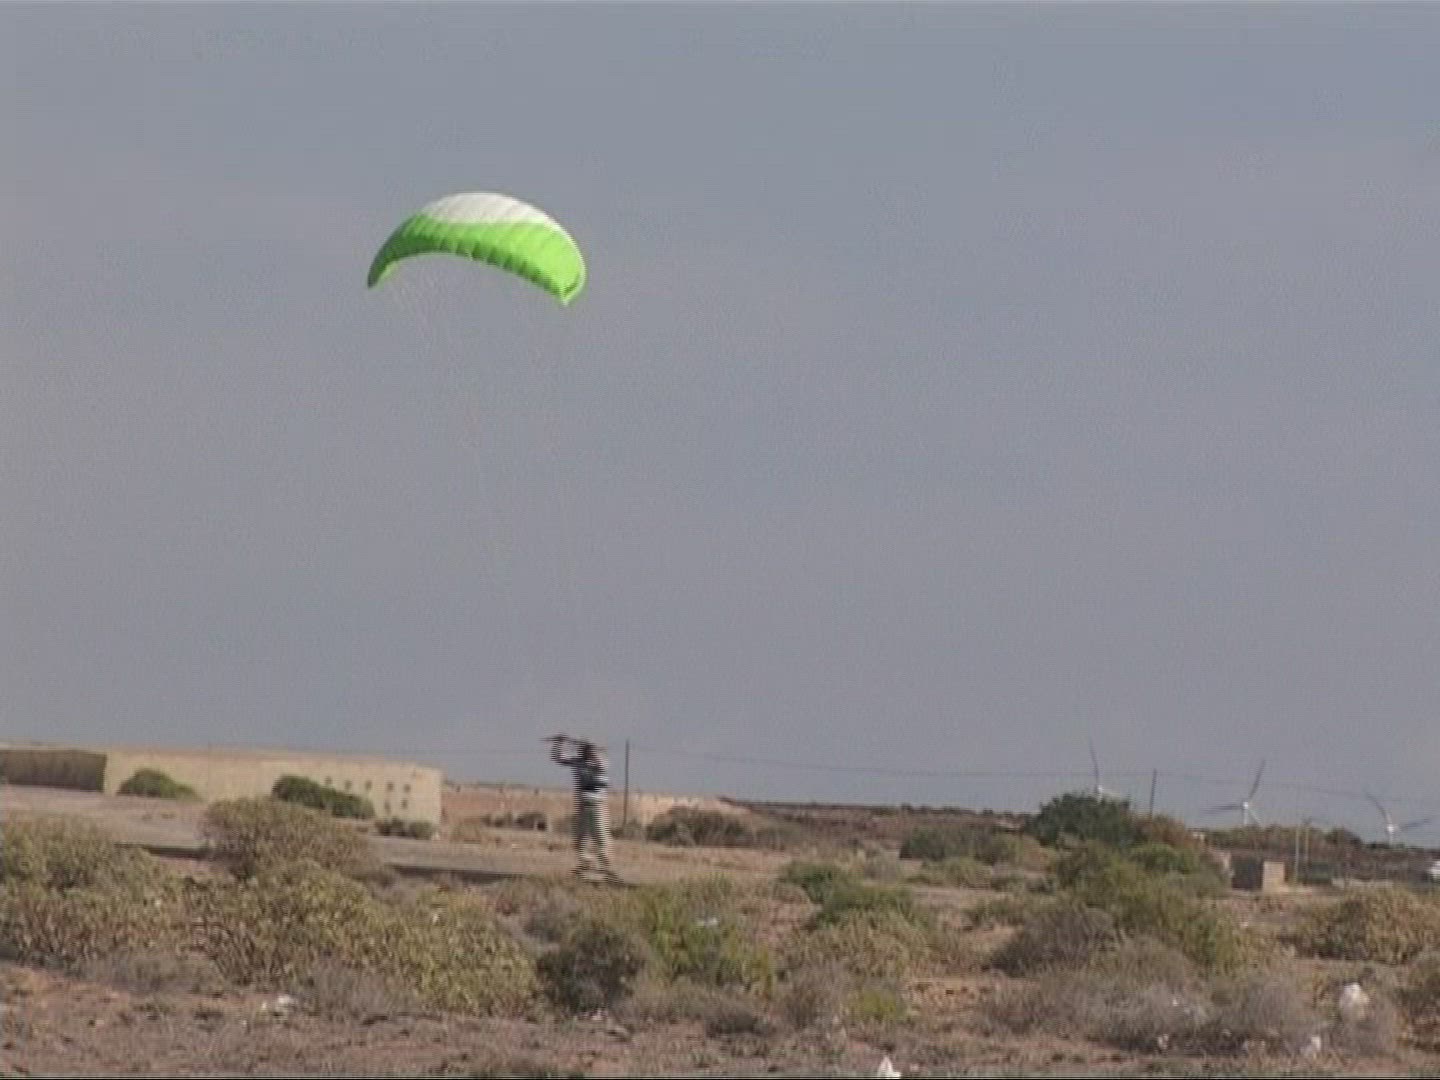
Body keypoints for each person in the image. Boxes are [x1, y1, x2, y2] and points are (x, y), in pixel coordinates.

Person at [548, 734, 618, 881]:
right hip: (582, 805)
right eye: (582, 749)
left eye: (585, 749)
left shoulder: (601, 762)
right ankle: (586, 864)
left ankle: (605, 867)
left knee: (601, 837)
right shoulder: (578, 762)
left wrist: (591, 747)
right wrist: (559, 743)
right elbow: (558, 759)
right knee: (581, 837)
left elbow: (600, 763)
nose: (583, 751)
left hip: (598, 805)